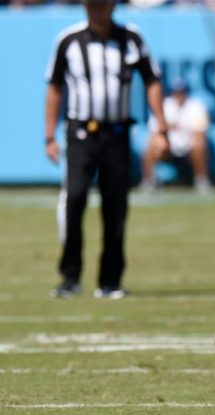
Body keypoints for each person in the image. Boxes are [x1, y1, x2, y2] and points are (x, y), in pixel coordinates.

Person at [45, 0, 170, 299]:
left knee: (115, 206)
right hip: (79, 133)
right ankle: (70, 277)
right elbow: (54, 87)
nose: (95, 10)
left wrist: (161, 127)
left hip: (116, 133)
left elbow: (152, 80)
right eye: (90, 5)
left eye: (100, 5)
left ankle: (110, 281)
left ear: (112, 6)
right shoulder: (69, 40)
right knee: (74, 199)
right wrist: (49, 135)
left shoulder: (131, 38)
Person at [140, 76, 213, 195]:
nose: (179, 95)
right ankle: (149, 180)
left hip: (189, 147)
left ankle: (201, 180)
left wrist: (175, 127)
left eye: (181, 91)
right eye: (176, 92)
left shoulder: (196, 106)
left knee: (199, 144)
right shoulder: (164, 105)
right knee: (150, 144)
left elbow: (201, 131)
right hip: (168, 147)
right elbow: (154, 130)